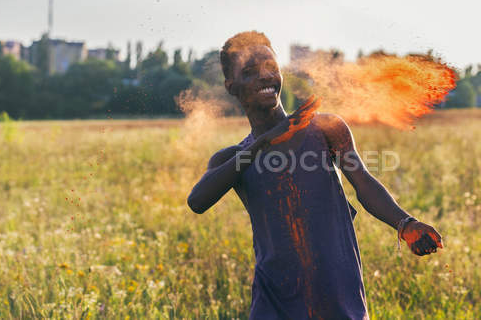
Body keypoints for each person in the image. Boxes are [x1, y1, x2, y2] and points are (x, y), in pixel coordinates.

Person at [187, 31, 443, 320]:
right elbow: (197, 201)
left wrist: (405, 223)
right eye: (249, 72)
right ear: (231, 86)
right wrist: (264, 142)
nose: (265, 76)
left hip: (337, 295)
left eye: (271, 68)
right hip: (274, 301)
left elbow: (363, 183)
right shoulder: (232, 159)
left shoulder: (324, 128)